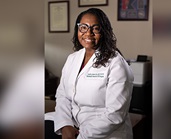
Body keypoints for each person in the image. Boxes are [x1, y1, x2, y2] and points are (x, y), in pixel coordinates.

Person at [54, 8, 134, 139]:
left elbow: (115, 114)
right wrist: (65, 126)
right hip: (74, 127)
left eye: (95, 28)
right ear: (78, 29)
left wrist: (82, 135)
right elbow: (63, 96)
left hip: (106, 135)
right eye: (83, 27)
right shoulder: (72, 58)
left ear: (104, 32)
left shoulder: (116, 64)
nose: (88, 33)